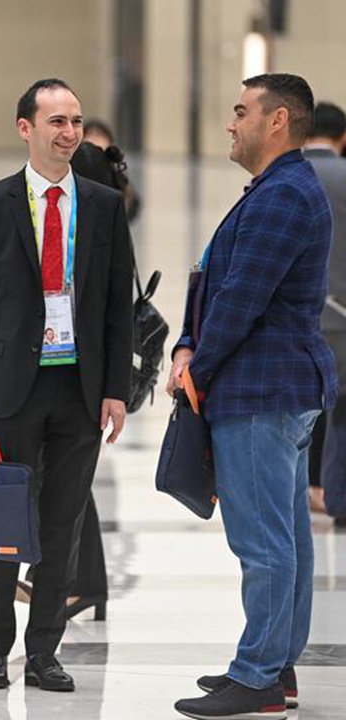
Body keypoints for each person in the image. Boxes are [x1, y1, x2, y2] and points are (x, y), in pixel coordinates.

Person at [0, 78, 133, 693]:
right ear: (25, 128)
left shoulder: (104, 204)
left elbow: (117, 307)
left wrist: (116, 388)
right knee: (4, 525)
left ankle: (44, 653)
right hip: (13, 388)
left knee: (62, 528)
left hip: (79, 389)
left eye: (77, 121)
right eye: (56, 121)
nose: (69, 133)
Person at [170, 73, 337, 720]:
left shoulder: (283, 196)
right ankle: (276, 665)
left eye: (241, 111)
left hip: (261, 388)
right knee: (286, 536)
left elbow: (241, 299)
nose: (231, 123)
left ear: (277, 122)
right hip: (278, 386)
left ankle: (260, 675)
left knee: (263, 542)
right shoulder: (279, 189)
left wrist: (196, 369)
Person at [303, 102, 346, 523]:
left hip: (299, 321)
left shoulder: (285, 178)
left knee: (303, 410)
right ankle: (337, 495)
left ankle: (306, 486)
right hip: (343, 320)